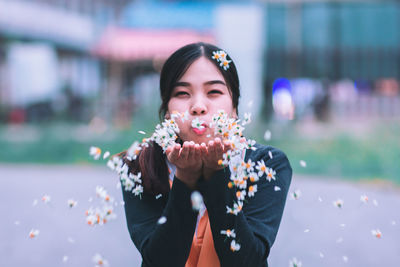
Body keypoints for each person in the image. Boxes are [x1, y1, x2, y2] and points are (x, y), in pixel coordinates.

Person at [119, 42, 292, 267]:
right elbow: (160, 261)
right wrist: (186, 178)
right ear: (167, 110)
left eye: (214, 92)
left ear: (234, 107)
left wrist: (215, 174)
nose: (198, 106)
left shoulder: (265, 165)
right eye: (182, 93)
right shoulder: (138, 166)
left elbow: (246, 260)